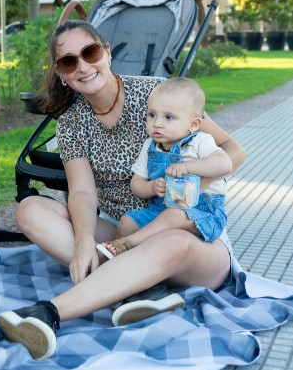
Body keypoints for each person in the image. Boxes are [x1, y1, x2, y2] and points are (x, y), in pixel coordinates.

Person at [0, 20, 245, 361]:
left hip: (191, 234)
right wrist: (84, 242)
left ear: (107, 53)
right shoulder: (71, 122)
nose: (83, 66)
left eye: (90, 52)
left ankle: (49, 313)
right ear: (61, 73)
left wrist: (190, 181)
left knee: (170, 239)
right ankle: (140, 289)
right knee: (30, 210)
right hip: (125, 230)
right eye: (69, 61)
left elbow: (233, 150)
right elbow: (82, 193)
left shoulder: (156, 95)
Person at [98, 77, 232, 260]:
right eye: (152, 115)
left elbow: (225, 164)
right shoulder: (150, 147)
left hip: (203, 211)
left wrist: (187, 167)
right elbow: (136, 184)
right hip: (160, 208)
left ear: (193, 124)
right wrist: (151, 187)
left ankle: (127, 244)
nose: (157, 123)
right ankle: (124, 262)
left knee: (174, 215)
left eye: (169, 117)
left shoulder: (200, 141)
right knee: (127, 222)